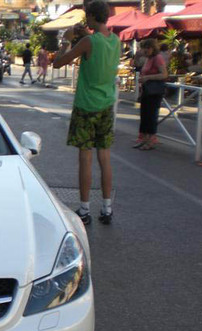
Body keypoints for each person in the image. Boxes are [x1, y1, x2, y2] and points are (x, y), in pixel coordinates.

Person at [52, 0, 120, 225]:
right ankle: (107, 208)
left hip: (86, 105)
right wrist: (83, 35)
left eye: (86, 17)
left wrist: (66, 40)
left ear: (91, 16)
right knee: (105, 156)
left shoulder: (87, 42)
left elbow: (59, 63)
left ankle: (84, 208)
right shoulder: (115, 41)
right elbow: (96, 44)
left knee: (85, 157)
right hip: (107, 104)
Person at [135, 38, 168, 151]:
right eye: (144, 48)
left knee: (150, 116)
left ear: (152, 48)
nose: (145, 50)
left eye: (147, 48)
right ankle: (144, 140)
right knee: (144, 115)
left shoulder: (157, 58)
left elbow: (164, 74)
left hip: (154, 91)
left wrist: (148, 78)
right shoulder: (148, 59)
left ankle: (150, 141)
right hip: (146, 90)